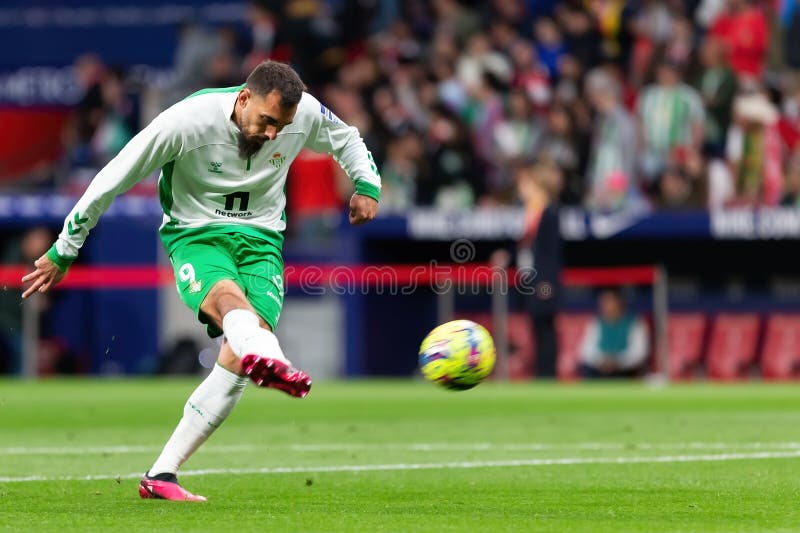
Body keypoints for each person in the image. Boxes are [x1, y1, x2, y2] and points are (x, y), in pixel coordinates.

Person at [20, 61, 381, 501]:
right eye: (267, 121)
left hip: (263, 239)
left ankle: (161, 475)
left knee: (238, 354)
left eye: (280, 127)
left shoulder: (303, 112)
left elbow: (346, 137)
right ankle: (273, 360)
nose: (272, 134)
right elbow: (113, 177)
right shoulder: (187, 121)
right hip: (197, 234)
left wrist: (366, 183)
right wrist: (65, 246)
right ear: (244, 99)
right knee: (229, 302)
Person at [578, 288, 649, 379]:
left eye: (609, 302)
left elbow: (639, 352)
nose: (606, 306)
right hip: (600, 368)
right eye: (604, 303)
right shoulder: (596, 322)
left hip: (624, 369)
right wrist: (603, 361)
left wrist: (617, 362)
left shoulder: (635, 322)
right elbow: (586, 351)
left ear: (619, 302)